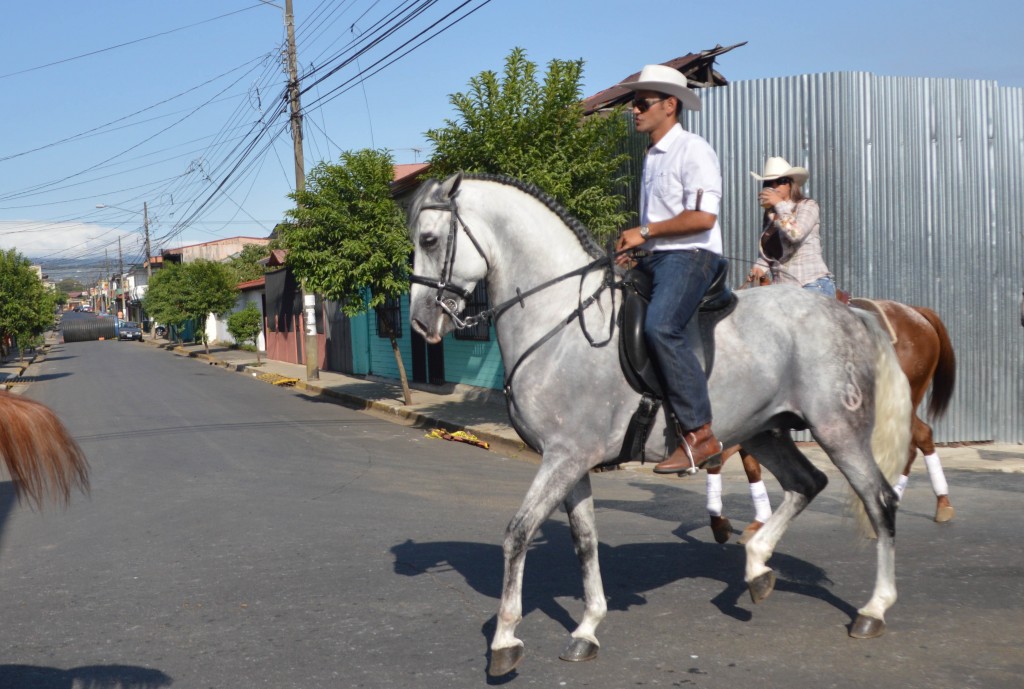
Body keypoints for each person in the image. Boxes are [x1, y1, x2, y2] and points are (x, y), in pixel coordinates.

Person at [614, 64, 726, 475]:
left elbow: (702, 219)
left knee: (662, 327)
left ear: (670, 105)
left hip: (692, 256)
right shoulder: (651, 156)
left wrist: (644, 231)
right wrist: (637, 249)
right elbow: (656, 229)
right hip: (659, 257)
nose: (634, 110)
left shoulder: (693, 149)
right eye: (633, 103)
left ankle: (699, 434)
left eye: (642, 103)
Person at [746, 157, 836, 298]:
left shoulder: (808, 206)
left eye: (781, 181)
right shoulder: (771, 215)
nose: (774, 186)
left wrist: (779, 204)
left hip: (810, 284)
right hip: (783, 290)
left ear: (790, 185)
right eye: (769, 183)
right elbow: (770, 254)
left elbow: (795, 234)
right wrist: (759, 267)